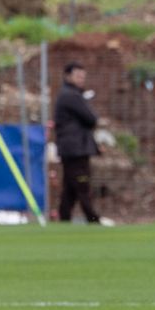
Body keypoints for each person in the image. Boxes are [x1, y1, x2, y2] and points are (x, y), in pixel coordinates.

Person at [54, 62, 102, 224]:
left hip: (72, 148)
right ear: (68, 76)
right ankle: (93, 219)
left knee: (70, 188)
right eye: (78, 76)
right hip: (75, 149)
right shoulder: (71, 96)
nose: (81, 79)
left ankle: (64, 219)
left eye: (83, 76)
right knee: (82, 185)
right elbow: (91, 118)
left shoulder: (71, 94)